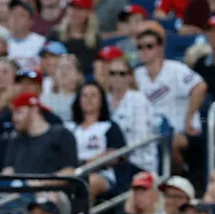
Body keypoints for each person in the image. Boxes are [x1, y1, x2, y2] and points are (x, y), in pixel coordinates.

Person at [133, 22, 207, 174]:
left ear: (160, 47)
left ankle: (180, 175)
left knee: (169, 142)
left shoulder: (175, 69)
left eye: (149, 46)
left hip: (180, 130)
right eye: (140, 47)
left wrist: (189, 119)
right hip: (151, 132)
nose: (144, 51)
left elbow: (200, 87)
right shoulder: (137, 75)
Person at [67, 81, 127, 199]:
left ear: (101, 100)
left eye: (93, 95)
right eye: (84, 95)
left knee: (89, 183)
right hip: (71, 171)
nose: (88, 99)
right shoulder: (69, 128)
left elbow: (115, 155)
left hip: (101, 174)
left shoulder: (109, 127)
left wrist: (87, 164)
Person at [3, 92, 78, 176]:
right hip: (20, 187)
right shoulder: (16, 140)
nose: (14, 118)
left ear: (34, 110)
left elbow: (70, 170)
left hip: (51, 188)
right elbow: (8, 170)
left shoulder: (61, 135)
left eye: (18, 112)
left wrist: (41, 183)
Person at [106, 56, 157, 174]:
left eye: (121, 74)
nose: (117, 78)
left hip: (138, 162)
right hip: (109, 162)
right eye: (112, 73)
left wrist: (117, 156)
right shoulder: (105, 100)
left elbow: (140, 140)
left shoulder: (138, 100)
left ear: (130, 77)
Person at [50, 0, 102, 73]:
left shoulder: (95, 40)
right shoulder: (54, 34)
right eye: (72, 7)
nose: (75, 12)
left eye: (80, 9)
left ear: (89, 13)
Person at [41, 54, 84, 122]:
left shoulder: (84, 99)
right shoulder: (43, 99)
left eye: (69, 67)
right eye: (60, 67)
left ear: (79, 75)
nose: (64, 71)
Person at [7, 0, 47, 71]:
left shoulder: (41, 42)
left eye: (21, 15)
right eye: (13, 14)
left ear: (31, 21)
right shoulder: (0, 41)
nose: (15, 19)